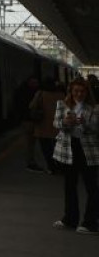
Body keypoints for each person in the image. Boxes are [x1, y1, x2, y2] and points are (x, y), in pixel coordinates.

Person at [52, 77, 99, 233]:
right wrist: (66, 122)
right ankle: (70, 219)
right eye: (76, 91)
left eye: (82, 91)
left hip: (88, 151)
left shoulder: (94, 108)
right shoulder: (62, 105)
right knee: (69, 186)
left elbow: (95, 128)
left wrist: (83, 122)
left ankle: (89, 222)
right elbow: (56, 124)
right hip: (69, 149)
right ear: (71, 92)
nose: (79, 94)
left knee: (92, 187)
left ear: (87, 92)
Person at [34, 78, 66, 174]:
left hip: (43, 126)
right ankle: (61, 167)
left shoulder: (40, 94)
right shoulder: (61, 94)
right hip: (58, 125)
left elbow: (32, 106)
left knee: (46, 149)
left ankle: (52, 167)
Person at [15, 76, 42, 170]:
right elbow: (29, 106)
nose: (36, 85)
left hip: (28, 119)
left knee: (30, 142)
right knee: (30, 142)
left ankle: (30, 160)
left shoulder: (21, 91)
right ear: (29, 83)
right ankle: (30, 162)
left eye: (36, 83)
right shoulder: (30, 93)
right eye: (34, 83)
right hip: (28, 120)